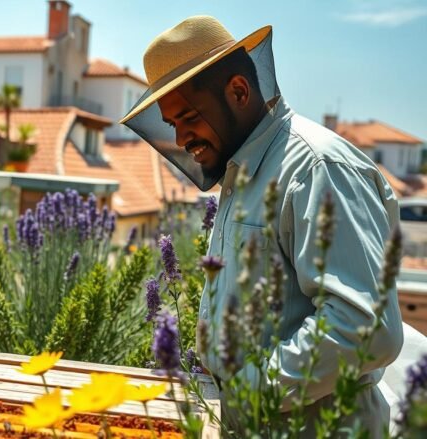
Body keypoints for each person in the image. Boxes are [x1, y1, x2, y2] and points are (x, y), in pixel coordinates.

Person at [120, 16, 404, 436]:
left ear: (238, 90)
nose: (181, 139)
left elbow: (365, 326)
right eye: (172, 124)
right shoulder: (245, 174)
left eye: (189, 117)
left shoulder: (316, 167)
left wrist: (251, 391)